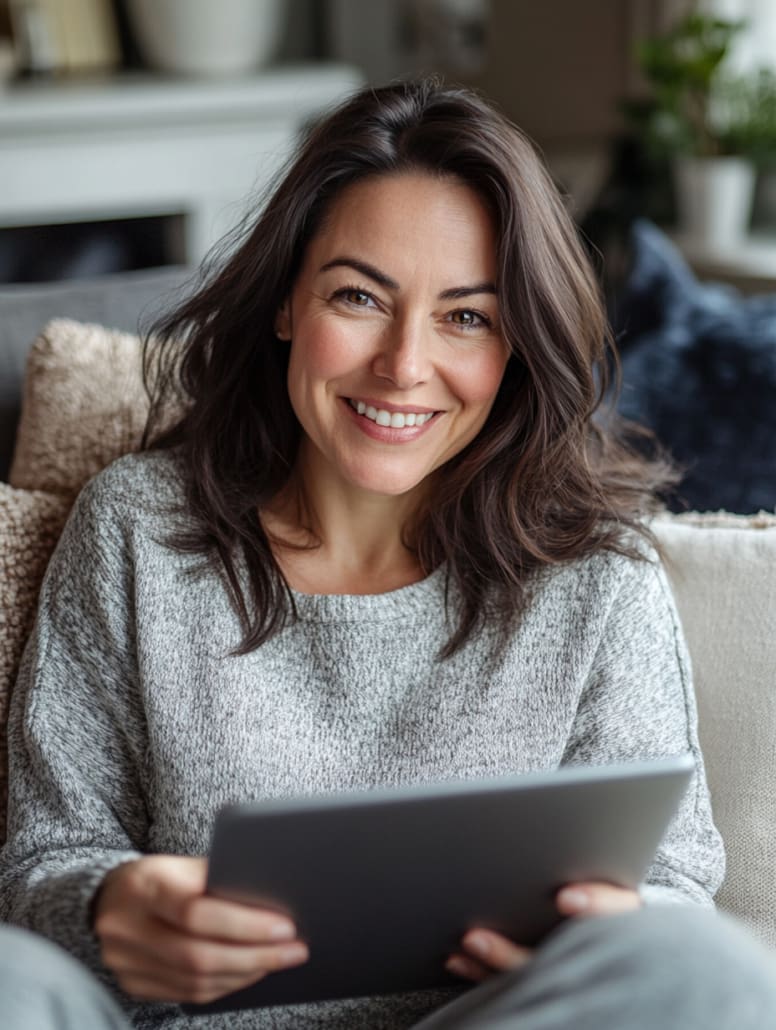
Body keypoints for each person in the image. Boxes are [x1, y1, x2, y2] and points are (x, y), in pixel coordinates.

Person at [1, 77, 775, 1030]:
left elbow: (673, 886)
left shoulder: (597, 574)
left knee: (706, 967)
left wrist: (619, 924)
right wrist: (106, 908)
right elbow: (44, 860)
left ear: (516, 345)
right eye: (360, 296)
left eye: (466, 316)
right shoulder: (137, 529)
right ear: (288, 302)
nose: (404, 365)